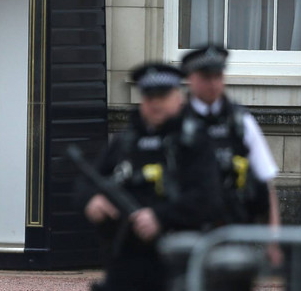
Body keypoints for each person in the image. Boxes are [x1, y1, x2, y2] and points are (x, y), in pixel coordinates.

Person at [80, 63, 220, 291]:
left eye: (162, 96)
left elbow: (208, 198)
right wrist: (92, 199)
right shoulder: (126, 141)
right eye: (149, 96)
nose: (155, 103)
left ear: (178, 97)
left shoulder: (194, 142)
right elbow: (89, 181)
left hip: (177, 259)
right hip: (126, 258)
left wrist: (160, 217)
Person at [181, 45, 283, 266]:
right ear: (191, 78)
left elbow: (266, 181)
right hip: (187, 233)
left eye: (218, 76)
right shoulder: (177, 122)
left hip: (234, 231)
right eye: (206, 77)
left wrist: (272, 240)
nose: (213, 83)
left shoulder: (240, 121)